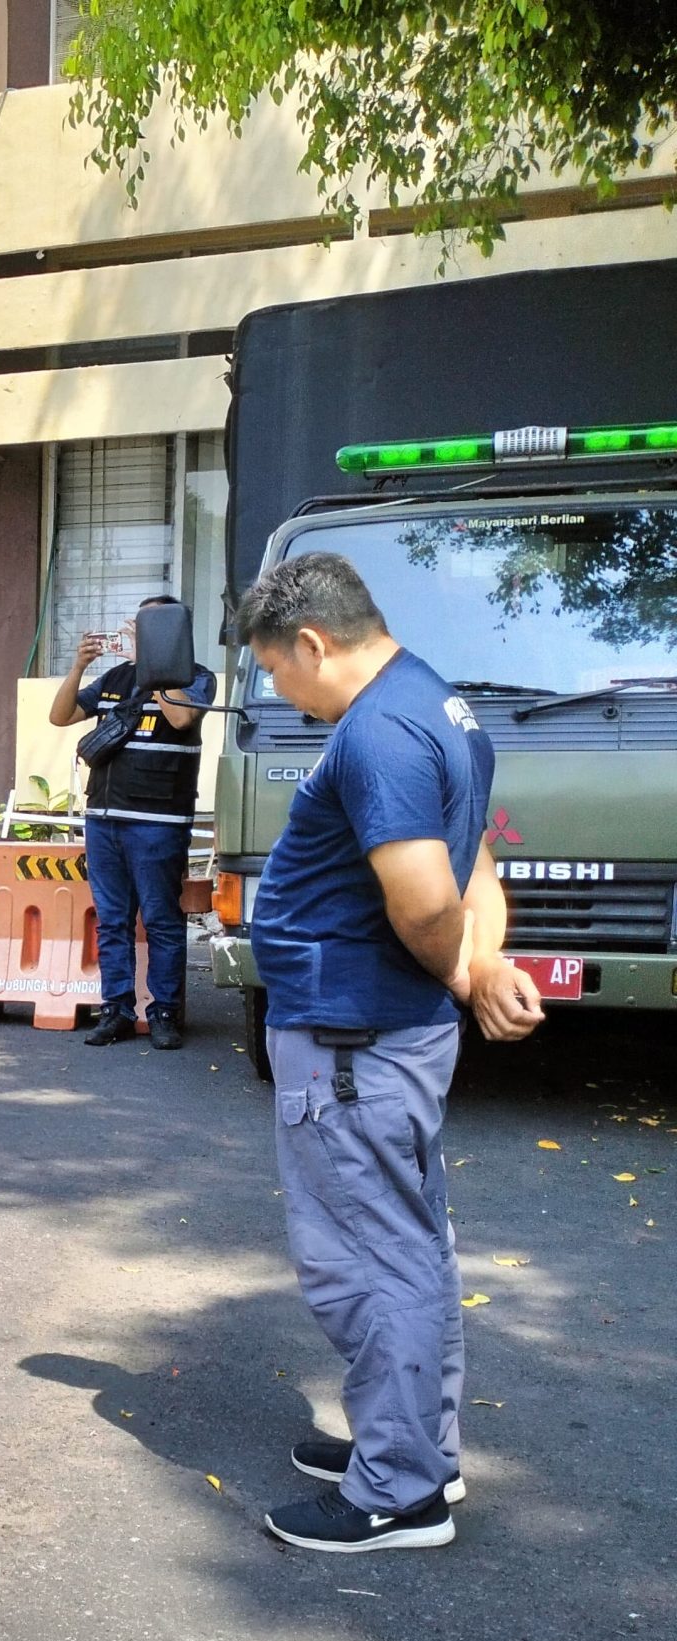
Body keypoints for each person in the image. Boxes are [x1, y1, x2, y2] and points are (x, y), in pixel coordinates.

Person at [237, 552, 543, 1553]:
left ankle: (397, 1490)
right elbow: (476, 859)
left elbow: (422, 902)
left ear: (315, 643)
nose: (279, 691)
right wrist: (483, 960)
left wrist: (469, 973)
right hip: (375, 1037)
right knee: (406, 1243)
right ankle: (412, 1446)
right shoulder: (440, 706)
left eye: (278, 671)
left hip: (351, 1040)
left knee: (367, 1261)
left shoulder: (377, 734)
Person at [48, 594, 216, 1049]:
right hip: (104, 820)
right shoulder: (116, 678)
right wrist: (79, 666)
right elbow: (60, 715)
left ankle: (164, 1012)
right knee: (112, 921)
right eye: (138, 626)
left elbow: (181, 719)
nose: (138, 635)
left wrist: (157, 669)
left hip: (158, 820)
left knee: (161, 920)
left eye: (153, 628)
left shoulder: (196, 678)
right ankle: (116, 1009)